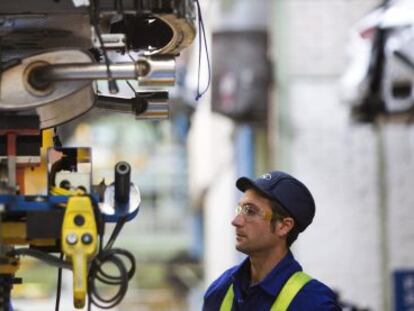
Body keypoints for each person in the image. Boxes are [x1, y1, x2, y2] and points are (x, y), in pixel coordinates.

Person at [202, 171, 341, 310]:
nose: (236, 221)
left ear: (284, 226)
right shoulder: (220, 290)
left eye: (250, 211)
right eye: (240, 209)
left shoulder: (314, 304)